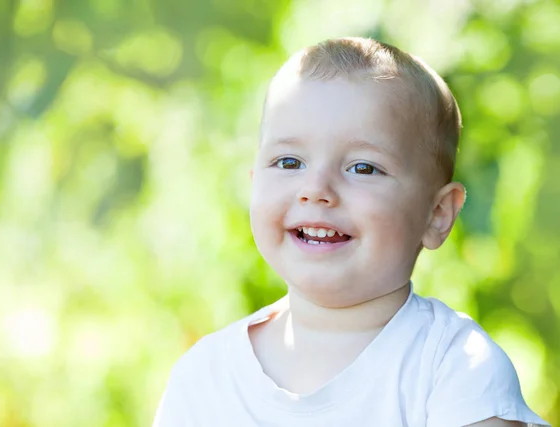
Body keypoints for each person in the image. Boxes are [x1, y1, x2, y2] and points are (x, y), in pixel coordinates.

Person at [152, 37, 550, 427]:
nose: (316, 190)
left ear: (437, 214)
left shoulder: (454, 368)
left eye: (363, 168)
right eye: (289, 162)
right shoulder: (206, 378)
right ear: (254, 182)